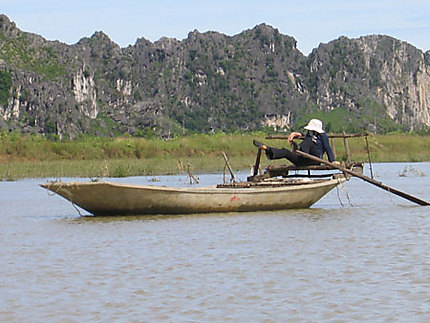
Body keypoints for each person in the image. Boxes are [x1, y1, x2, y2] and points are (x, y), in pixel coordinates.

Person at [253, 119, 337, 166]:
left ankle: (299, 149)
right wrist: (297, 134)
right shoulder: (309, 135)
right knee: (285, 152)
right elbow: (305, 136)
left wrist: (332, 161)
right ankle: (268, 149)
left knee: (308, 141)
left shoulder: (322, 136)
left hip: (314, 160)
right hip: (303, 159)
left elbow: (327, 148)